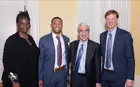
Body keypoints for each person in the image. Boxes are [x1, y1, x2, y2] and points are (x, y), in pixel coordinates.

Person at [1, 11, 39, 87]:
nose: (25, 25)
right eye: (22, 23)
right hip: (18, 81)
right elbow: (7, 63)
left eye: (27, 23)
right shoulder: (11, 41)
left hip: (31, 80)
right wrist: (14, 81)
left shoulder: (30, 39)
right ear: (17, 24)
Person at [100, 9, 135, 87]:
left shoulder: (126, 35)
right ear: (105, 21)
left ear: (117, 20)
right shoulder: (102, 36)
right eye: (108, 19)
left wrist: (130, 78)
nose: (110, 21)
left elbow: (130, 58)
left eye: (113, 19)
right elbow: (101, 56)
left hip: (120, 77)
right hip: (104, 76)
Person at [38, 17, 69, 87]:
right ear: (51, 25)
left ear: (62, 26)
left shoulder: (66, 39)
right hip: (48, 75)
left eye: (59, 23)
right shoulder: (43, 40)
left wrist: (67, 74)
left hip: (62, 74)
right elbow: (40, 60)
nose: (57, 25)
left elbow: (67, 57)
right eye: (55, 23)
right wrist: (40, 78)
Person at [69, 23, 101, 87]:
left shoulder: (95, 46)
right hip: (75, 78)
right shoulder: (72, 45)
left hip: (89, 79)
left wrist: (98, 82)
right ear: (78, 33)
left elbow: (97, 65)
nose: (83, 33)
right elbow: (67, 61)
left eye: (86, 30)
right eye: (81, 31)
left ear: (89, 32)